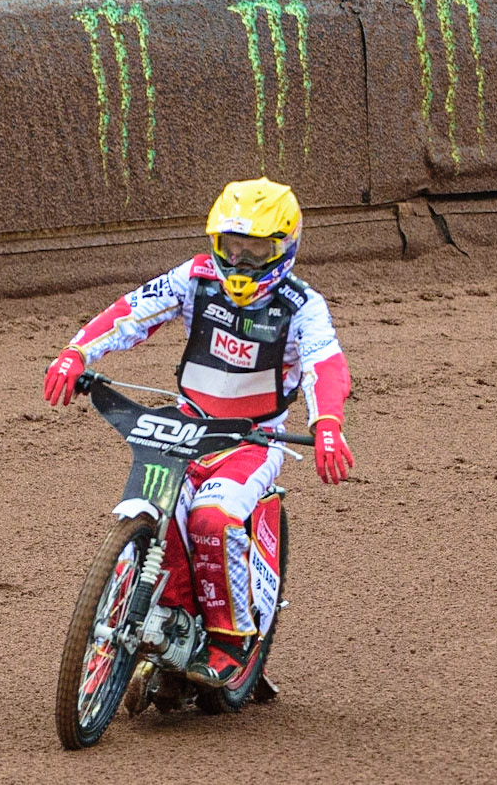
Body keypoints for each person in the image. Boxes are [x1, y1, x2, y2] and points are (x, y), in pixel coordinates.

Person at [42, 177, 353, 689]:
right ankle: (170, 627)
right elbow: (133, 310)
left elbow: (326, 365)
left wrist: (327, 425)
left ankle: (230, 642)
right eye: (233, 248)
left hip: (254, 441)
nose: (241, 264)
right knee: (153, 508)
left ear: (285, 248)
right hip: (187, 423)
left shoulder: (303, 307)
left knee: (211, 518)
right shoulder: (196, 277)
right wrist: (77, 353)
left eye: (257, 252)